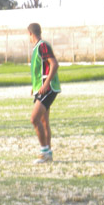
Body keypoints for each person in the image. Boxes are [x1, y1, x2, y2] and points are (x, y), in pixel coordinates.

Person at [28, 22, 61, 163]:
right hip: (41, 88)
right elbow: (40, 69)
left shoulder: (42, 46)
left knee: (34, 119)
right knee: (43, 121)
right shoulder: (37, 48)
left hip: (47, 88)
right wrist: (34, 87)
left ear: (30, 34)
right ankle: (48, 153)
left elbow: (54, 64)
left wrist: (46, 84)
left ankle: (44, 152)